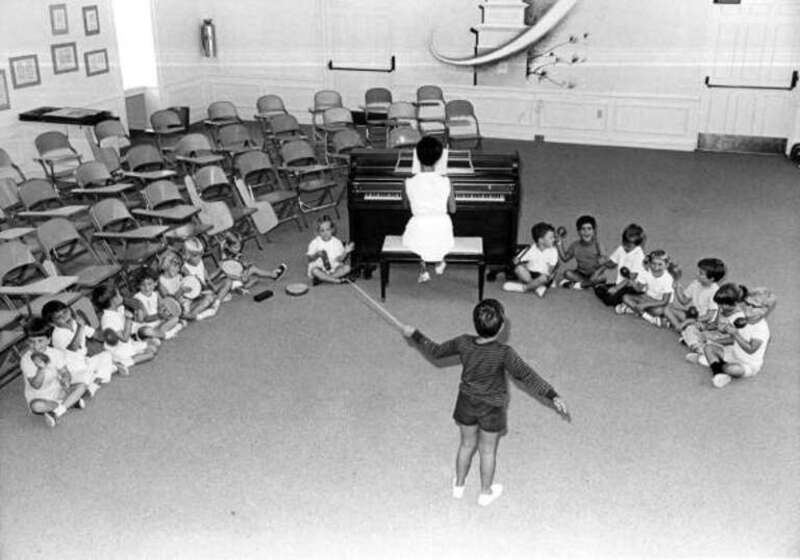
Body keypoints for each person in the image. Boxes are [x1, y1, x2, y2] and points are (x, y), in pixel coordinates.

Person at [402, 299, 570, 506]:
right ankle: (485, 492)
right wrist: (552, 394)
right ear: (500, 328)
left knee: (466, 444)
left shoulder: (463, 342)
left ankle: (459, 486)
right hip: (492, 408)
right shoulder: (504, 352)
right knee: (488, 451)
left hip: (466, 403)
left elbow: (436, 351)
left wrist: (415, 334)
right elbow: (526, 375)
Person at [686, 284, 771, 388]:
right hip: (733, 352)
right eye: (747, 303)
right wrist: (720, 329)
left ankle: (711, 363)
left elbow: (751, 349)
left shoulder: (761, 328)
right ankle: (717, 371)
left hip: (748, 364)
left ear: (764, 310)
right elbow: (722, 327)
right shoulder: (744, 318)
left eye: (753, 306)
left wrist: (734, 334)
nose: (747, 308)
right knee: (709, 348)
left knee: (731, 369)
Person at [401, 136, 455, 283]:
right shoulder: (446, 181)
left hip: (419, 227)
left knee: (415, 235)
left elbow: (405, 206)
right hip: (442, 229)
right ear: (439, 159)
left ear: (417, 157)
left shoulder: (408, 182)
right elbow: (453, 209)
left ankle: (423, 269)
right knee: (436, 232)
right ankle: (439, 260)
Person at [21, 317, 91, 428]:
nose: (36, 346)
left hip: (58, 390)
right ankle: (68, 403)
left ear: (49, 340)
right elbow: (36, 385)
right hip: (39, 396)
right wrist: (41, 369)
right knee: (36, 406)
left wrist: (66, 380)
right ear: (26, 341)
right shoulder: (26, 360)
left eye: (40, 341)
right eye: (31, 342)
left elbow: (64, 372)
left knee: (82, 386)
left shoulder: (55, 353)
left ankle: (57, 411)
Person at [42, 299, 117, 385]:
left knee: (107, 355)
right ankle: (99, 379)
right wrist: (80, 327)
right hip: (71, 370)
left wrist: (112, 334)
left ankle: (100, 375)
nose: (65, 317)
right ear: (52, 323)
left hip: (84, 362)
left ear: (69, 309)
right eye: (59, 317)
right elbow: (74, 348)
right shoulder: (57, 335)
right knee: (87, 376)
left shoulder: (75, 323)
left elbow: (96, 335)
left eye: (65, 312)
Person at [92, 283, 158, 369]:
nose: (121, 296)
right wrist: (128, 319)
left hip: (128, 344)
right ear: (113, 300)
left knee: (153, 347)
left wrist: (135, 314)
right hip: (119, 350)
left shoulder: (118, 309)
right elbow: (124, 338)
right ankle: (124, 363)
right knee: (150, 354)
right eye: (118, 294)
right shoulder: (108, 319)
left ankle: (126, 358)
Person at [663, 257, 725, 334]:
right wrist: (677, 288)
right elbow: (684, 301)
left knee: (694, 327)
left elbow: (709, 316)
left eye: (701, 273)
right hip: (692, 315)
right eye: (699, 271)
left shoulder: (715, 292)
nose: (697, 274)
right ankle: (680, 326)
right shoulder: (696, 283)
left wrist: (690, 321)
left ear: (711, 279)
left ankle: (684, 327)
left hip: (704, 322)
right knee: (667, 309)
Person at [593, 223, 647, 307]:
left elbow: (631, 277)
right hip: (620, 283)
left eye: (629, 246)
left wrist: (616, 288)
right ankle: (623, 300)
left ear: (638, 245)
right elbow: (612, 263)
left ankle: (629, 302)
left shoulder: (639, 256)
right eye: (624, 243)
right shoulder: (621, 249)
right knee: (598, 288)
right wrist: (601, 268)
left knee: (609, 300)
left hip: (632, 287)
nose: (625, 247)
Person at [617, 249, 675, 326]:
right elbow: (638, 289)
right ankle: (649, 317)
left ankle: (635, 311)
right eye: (653, 264)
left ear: (666, 265)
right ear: (650, 263)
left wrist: (645, 305)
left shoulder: (668, 278)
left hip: (660, 302)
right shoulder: (646, 272)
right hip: (647, 297)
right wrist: (632, 282)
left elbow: (665, 301)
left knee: (659, 311)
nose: (656, 267)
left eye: (660, 264)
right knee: (625, 297)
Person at [502, 222, 559, 297]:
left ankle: (524, 288)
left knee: (544, 278)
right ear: (541, 240)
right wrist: (517, 262)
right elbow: (518, 261)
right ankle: (536, 287)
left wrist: (550, 275)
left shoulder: (553, 251)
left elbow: (550, 271)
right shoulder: (530, 249)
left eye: (553, 237)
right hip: (530, 274)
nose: (554, 239)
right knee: (518, 269)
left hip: (543, 276)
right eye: (551, 238)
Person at [219, 231, 287, 293]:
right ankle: (274, 275)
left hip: (236, 276)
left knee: (255, 278)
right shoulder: (225, 257)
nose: (238, 249)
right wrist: (242, 274)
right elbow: (228, 272)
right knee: (253, 269)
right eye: (235, 247)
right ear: (228, 246)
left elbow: (237, 265)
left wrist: (244, 266)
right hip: (232, 279)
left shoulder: (233, 252)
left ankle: (240, 287)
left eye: (239, 246)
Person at [157, 250, 216, 321]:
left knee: (209, 297)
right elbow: (169, 301)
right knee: (178, 315)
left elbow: (189, 284)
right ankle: (197, 316)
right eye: (175, 266)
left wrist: (195, 285)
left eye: (178, 267)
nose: (177, 269)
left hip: (187, 301)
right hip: (177, 307)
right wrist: (181, 291)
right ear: (166, 265)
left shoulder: (178, 276)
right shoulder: (161, 281)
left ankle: (193, 315)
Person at [555, 215, 607, 290]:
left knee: (602, 277)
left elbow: (606, 263)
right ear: (578, 232)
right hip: (580, 274)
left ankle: (579, 285)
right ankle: (587, 284)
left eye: (589, 229)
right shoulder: (575, 245)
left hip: (595, 274)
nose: (586, 232)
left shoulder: (598, 244)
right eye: (583, 229)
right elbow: (565, 258)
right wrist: (559, 243)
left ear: (594, 231)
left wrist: (597, 273)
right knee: (567, 273)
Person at [182, 236, 232, 313]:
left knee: (228, 281)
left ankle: (216, 302)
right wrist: (211, 291)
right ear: (187, 256)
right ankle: (196, 313)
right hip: (197, 295)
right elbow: (195, 289)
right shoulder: (185, 269)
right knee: (209, 298)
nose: (199, 258)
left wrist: (220, 270)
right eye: (195, 256)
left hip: (206, 289)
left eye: (200, 254)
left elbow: (207, 278)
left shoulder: (200, 261)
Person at [132, 267, 183, 339]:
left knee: (175, 319)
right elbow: (145, 318)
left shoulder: (156, 294)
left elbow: (161, 307)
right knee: (145, 331)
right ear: (138, 285)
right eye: (143, 285)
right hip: (146, 325)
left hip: (159, 323)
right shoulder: (137, 298)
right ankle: (169, 333)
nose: (147, 288)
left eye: (150, 284)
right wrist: (160, 315)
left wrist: (165, 311)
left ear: (155, 283)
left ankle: (159, 334)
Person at [306, 215, 354, 285]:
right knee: (314, 271)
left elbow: (339, 259)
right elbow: (309, 259)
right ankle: (337, 281)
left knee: (347, 268)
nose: (325, 233)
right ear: (318, 232)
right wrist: (317, 255)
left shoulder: (337, 242)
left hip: (334, 267)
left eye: (328, 229)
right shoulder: (315, 242)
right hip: (319, 267)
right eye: (322, 230)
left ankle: (323, 279)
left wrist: (345, 252)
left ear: (332, 230)